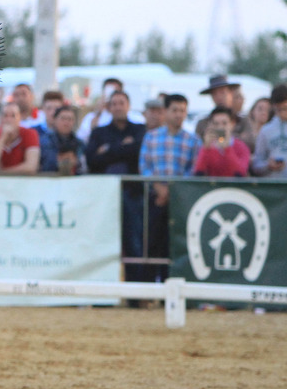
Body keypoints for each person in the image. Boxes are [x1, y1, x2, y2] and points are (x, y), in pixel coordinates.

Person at [86, 90, 147, 282]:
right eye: (114, 103)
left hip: (132, 192)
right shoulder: (98, 132)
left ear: (128, 106)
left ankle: (136, 293)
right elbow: (92, 160)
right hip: (104, 196)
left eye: (122, 103)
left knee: (134, 243)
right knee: (102, 241)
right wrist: (123, 147)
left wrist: (109, 149)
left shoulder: (139, 129)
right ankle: (103, 293)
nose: (118, 107)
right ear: (109, 108)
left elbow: (137, 151)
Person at [138, 93, 201, 281]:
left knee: (175, 245)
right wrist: (159, 187)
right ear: (165, 112)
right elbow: (144, 166)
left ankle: (172, 289)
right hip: (155, 199)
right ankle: (148, 292)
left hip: (180, 199)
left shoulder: (192, 140)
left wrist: (173, 189)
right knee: (152, 244)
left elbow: (194, 169)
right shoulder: (151, 137)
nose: (178, 114)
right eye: (174, 110)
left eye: (182, 111)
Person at [76, 77, 145, 142]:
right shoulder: (91, 117)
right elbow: (81, 140)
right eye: (108, 91)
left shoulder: (136, 117)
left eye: (115, 91)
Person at [195, 75, 253, 149]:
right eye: (214, 94)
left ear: (231, 93)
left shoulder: (243, 121)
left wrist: (228, 137)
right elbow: (197, 148)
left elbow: (252, 144)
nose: (219, 97)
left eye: (222, 92)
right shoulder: (203, 123)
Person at [0, 102, 40, 175]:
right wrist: (3, 137)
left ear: (19, 118)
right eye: (5, 115)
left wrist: (2, 173)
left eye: (13, 116)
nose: (9, 119)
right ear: (1, 118)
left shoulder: (30, 134)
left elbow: (31, 167)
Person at [194, 106, 251, 177]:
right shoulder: (206, 147)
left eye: (224, 123)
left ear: (232, 124)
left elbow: (240, 173)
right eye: (216, 124)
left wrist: (227, 149)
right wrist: (206, 149)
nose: (220, 127)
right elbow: (198, 173)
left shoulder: (241, 147)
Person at [251, 84, 287, 178]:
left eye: (285, 108)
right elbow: (256, 164)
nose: (283, 113)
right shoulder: (266, 130)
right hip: (274, 186)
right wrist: (268, 165)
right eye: (279, 109)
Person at [40, 105, 85, 175]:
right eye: (63, 119)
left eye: (70, 119)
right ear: (54, 120)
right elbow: (46, 165)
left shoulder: (80, 143)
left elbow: (83, 167)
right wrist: (64, 159)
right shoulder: (44, 141)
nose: (66, 123)